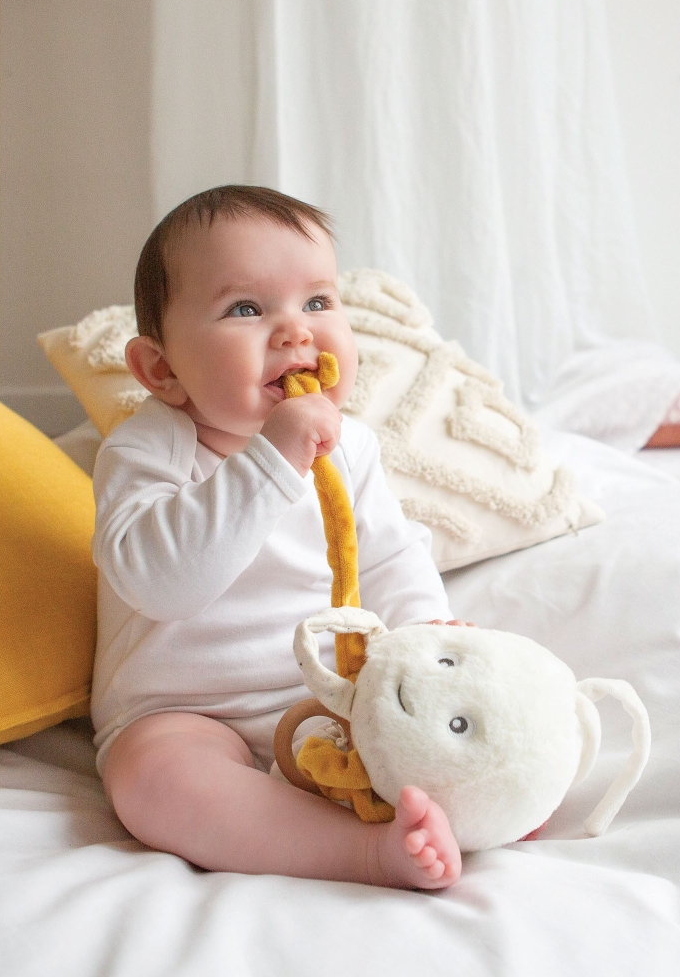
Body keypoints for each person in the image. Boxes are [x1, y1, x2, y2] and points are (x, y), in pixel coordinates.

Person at [92, 185, 462, 889]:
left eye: (318, 302)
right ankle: (357, 853)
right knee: (154, 784)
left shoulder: (348, 444)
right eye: (246, 309)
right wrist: (273, 458)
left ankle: (490, 802)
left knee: (456, 720)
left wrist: (429, 642)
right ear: (161, 370)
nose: (296, 332)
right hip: (187, 712)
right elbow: (160, 584)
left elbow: (390, 557)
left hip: (335, 697)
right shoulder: (146, 451)